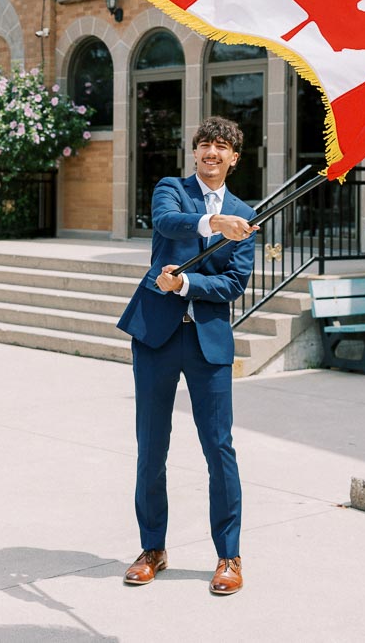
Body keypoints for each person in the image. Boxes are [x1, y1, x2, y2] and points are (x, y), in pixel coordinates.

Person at [116, 115, 260, 596]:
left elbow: (234, 284)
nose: (212, 153)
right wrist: (212, 223)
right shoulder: (171, 189)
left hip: (208, 341)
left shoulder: (245, 214)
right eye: (205, 145)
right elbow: (165, 222)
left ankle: (228, 556)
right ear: (194, 152)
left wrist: (189, 284)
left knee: (219, 448)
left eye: (222, 147)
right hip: (156, 337)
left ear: (234, 158)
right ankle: (152, 548)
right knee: (151, 446)